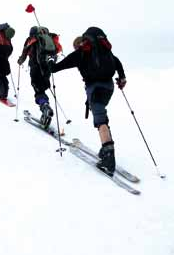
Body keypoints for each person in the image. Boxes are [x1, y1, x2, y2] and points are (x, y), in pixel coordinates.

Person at [50, 26, 126, 175]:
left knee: (100, 120)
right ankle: (105, 148)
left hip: (95, 88)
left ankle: (109, 157)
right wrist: (122, 77)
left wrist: (50, 61)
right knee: (101, 115)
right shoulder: (105, 51)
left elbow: (55, 68)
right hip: (109, 87)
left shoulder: (80, 54)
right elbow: (117, 62)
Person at [18, 25, 58, 128]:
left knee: (38, 90)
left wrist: (20, 61)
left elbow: (24, 53)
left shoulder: (31, 40)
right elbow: (55, 53)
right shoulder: (49, 39)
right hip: (47, 69)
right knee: (42, 88)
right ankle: (45, 111)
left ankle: (45, 106)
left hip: (35, 68)